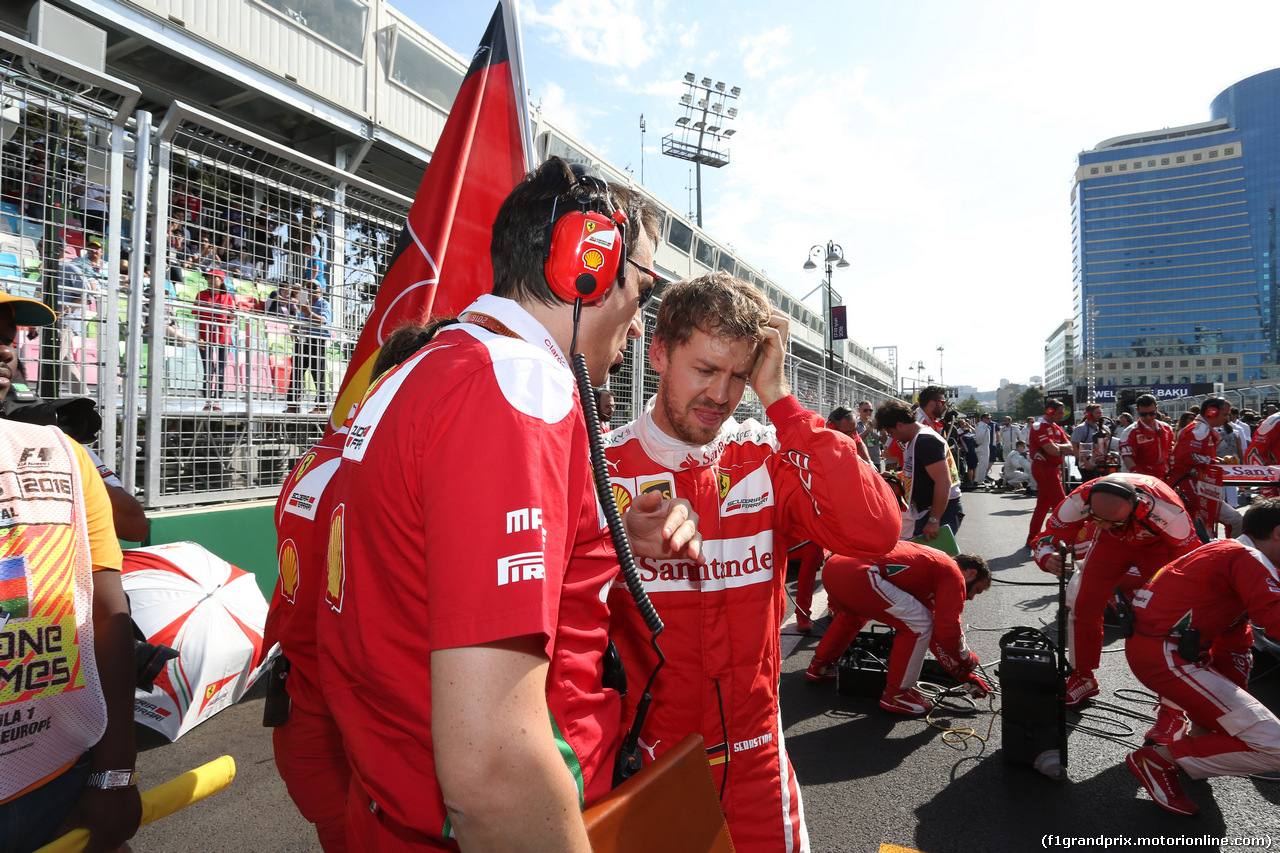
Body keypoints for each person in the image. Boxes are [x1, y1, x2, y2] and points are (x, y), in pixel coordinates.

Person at [314, 158, 700, 851]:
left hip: (390, 808)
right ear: (582, 267)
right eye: (643, 288)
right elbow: (492, 765)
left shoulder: (424, 368)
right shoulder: (517, 385)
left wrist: (609, 536)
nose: (640, 326)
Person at [604, 273, 900, 853]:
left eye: (739, 375)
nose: (721, 394)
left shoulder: (765, 454)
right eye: (706, 369)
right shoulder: (600, 464)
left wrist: (781, 399)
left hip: (756, 755)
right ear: (659, 352)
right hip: (647, 761)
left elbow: (877, 531)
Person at [0, 295, 141, 853]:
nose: (6, 346)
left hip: (60, 772)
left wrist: (114, 775)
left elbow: (107, 616)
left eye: (11, 333)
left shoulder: (63, 452)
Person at [1124, 499, 1280, 816]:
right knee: (1276, 747)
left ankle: (1192, 742)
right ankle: (1157, 761)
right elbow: (1276, 618)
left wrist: (1228, 707)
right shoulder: (1249, 558)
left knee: (1239, 720)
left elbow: (1235, 633)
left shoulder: (1227, 548)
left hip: (1165, 651)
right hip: (1166, 656)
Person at [1030, 473, 1200, 706]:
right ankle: (1083, 677)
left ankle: (1173, 703)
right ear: (1090, 504)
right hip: (1109, 543)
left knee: (1171, 616)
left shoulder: (1168, 511)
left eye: (1114, 522)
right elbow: (1047, 537)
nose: (1108, 524)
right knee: (1082, 604)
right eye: (1100, 520)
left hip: (1159, 548)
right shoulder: (1079, 499)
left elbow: (1191, 560)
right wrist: (1047, 557)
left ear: (1137, 508)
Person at [804, 542, 991, 713]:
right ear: (971, 573)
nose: (972, 597)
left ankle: (820, 666)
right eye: (977, 590)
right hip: (860, 573)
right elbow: (947, 629)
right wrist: (967, 658)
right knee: (919, 625)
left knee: (853, 616)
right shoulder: (953, 575)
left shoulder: (935, 567)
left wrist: (964, 675)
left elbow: (936, 634)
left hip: (834, 567)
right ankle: (897, 695)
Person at [876, 398, 963, 540]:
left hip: (939, 512)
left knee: (934, 560)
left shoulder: (925, 441)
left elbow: (943, 482)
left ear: (899, 425)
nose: (894, 438)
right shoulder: (916, 439)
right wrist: (896, 475)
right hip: (929, 511)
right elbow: (922, 473)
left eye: (891, 433)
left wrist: (934, 520)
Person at [1169, 396, 1241, 537]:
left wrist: (1214, 460)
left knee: (1202, 531)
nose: (1227, 419)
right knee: (1236, 520)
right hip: (1191, 486)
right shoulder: (1199, 430)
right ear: (1211, 412)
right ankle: (1233, 554)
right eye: (1225, 414)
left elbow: (1194, 455)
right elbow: (1187, 456)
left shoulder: (1201, 428)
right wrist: (1213, 462)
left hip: (1196, 485)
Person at [1026, 398, 1073, 548]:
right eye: (1059, 413)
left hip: (1053, 469)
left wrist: (1056, 446)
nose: (1062, 416)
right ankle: (1063, 539)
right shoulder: (1039, 426)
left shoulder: (1056, 427)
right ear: (1050, 411)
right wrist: (1058, 448)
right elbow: (1051, 450)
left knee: (1043, 506)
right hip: (1044, 468)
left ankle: (1032, 538)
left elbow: (1070, 447)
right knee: (1061, 505)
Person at [285, 281, 331, 415]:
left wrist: (309, 313)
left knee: (318, 374)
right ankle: (292, 405)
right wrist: (295, 328)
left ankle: (321, 407)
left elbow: (323, 320)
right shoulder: (306, 305)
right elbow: (301, 320)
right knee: (297, 373)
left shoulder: (324, 304)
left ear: (320, 290)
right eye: (308, 287)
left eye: (313, 287)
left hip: (317, 341)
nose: (310, 290)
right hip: (305, 341)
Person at [192, 269, 235, 411]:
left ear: (221, 280)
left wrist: (233, 316)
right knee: (209, 370)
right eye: (208, 278)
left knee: (221, 370)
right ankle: (207, 401)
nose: (209, 280)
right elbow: (197, 317)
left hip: (223, 338)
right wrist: (199, 337)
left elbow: (230, 320)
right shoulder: (201, 295)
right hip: (205, 337)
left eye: (213, 278)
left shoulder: (228, 297)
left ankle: (217, 401)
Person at [1121, 394, 1174, 479]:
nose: (1148, 417)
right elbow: (1127, 457)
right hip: (1141, 477)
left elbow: (1170, 452)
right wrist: (1136, 474)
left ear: (1157, 409)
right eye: (1144, 414)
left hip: (1163, 476)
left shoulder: (1167, 429)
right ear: (1137, 410)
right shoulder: (1129, 432)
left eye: (1152, 413)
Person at [1071, 403, 1105, 482]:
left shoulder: (1099, 427)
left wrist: (1102, 427)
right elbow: (1074, 446)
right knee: (1089, 483)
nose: (1100, 415)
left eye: (1101, 413)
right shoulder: (1081, 428)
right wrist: (1084, 462)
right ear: (1089, 414)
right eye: (1097, 413)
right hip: (1086, 461)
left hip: (1098, 461)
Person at [856, 400, 882, 470]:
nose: (868, 412)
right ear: (859, 410)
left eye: (870, 410)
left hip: (876, 461)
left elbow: (884, 442)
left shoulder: (873, 424)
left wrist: (883, 428)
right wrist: (870, 429)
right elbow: (857, 440)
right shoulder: (855, 424)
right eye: (865, 410)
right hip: (863, 461)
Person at [973, 412, 997, 486]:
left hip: (983, 446)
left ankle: (977, 479)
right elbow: (979, 436)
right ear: (983, 419)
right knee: (983, 464)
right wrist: (978, 443)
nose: (989, 420)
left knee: (980, 465)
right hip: (982, 447)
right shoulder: (982, 426)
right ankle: (980, 480)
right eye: (988, 418)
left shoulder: (983, 425)